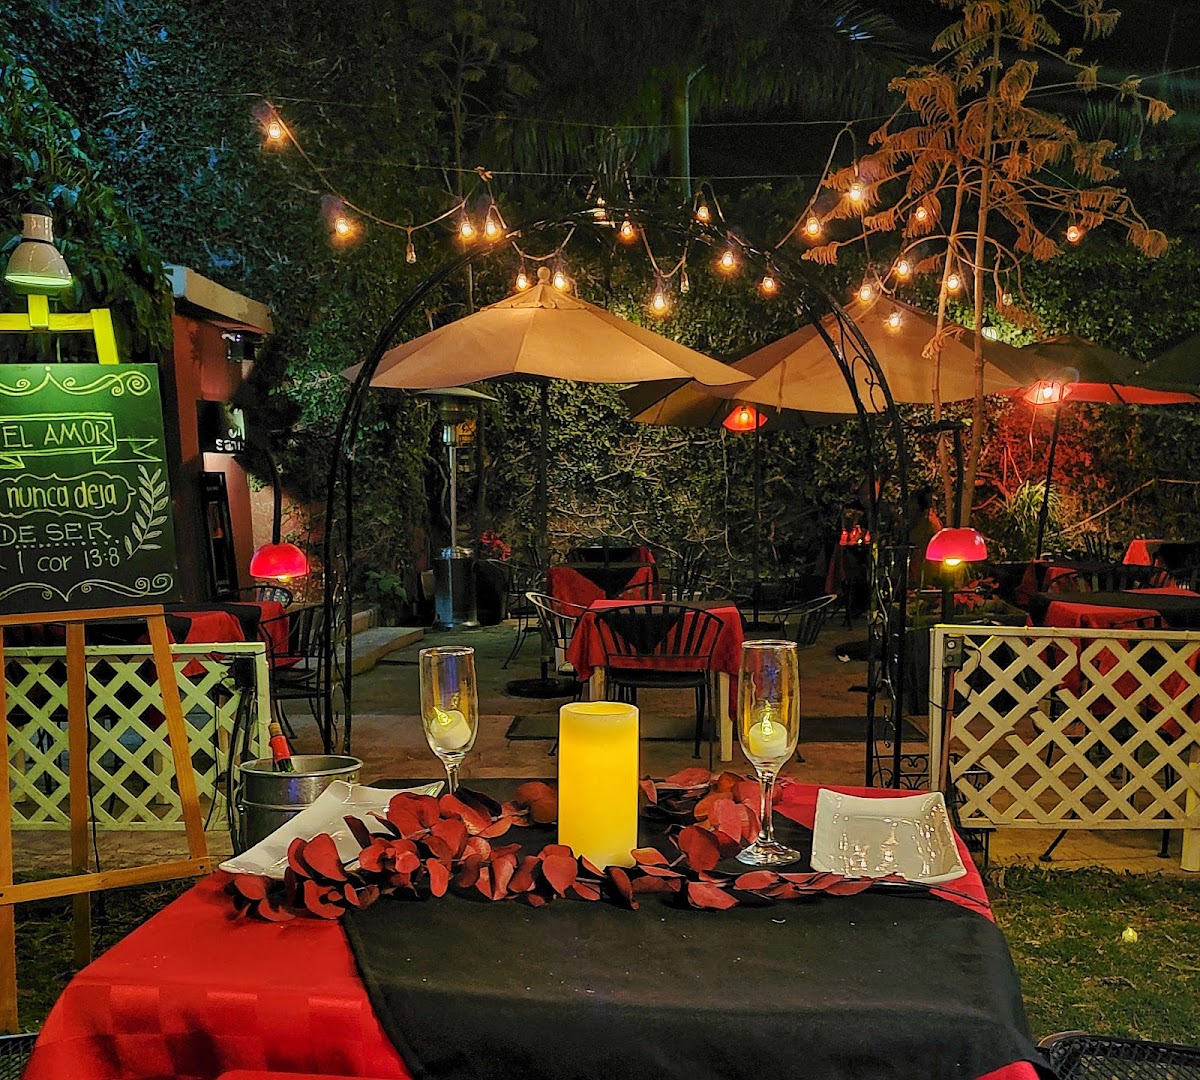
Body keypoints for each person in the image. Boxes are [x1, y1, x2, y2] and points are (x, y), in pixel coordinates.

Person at [908, 488, 944, 587]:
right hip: (925, 569)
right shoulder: (929, 519)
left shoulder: (927, 522)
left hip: (926, 570)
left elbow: (913, 539)